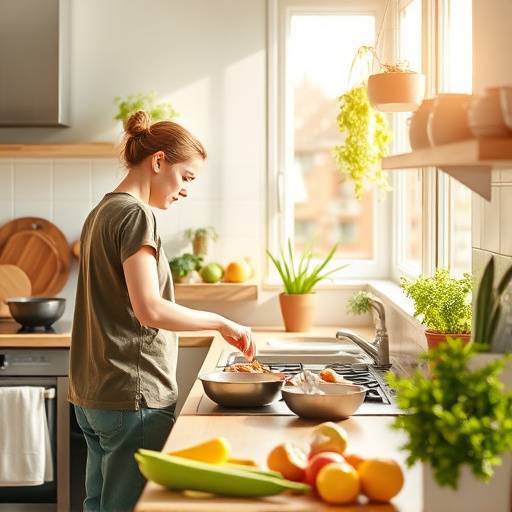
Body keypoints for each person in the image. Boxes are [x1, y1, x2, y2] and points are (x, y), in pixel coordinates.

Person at [68, 110, 255, 512]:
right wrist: (222, 321)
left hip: (93, 395)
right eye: (186, 177)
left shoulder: (101, 211)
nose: (186, 190)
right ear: (158, 161)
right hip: (131, 395)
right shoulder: (136, 216)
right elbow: (149, 308)